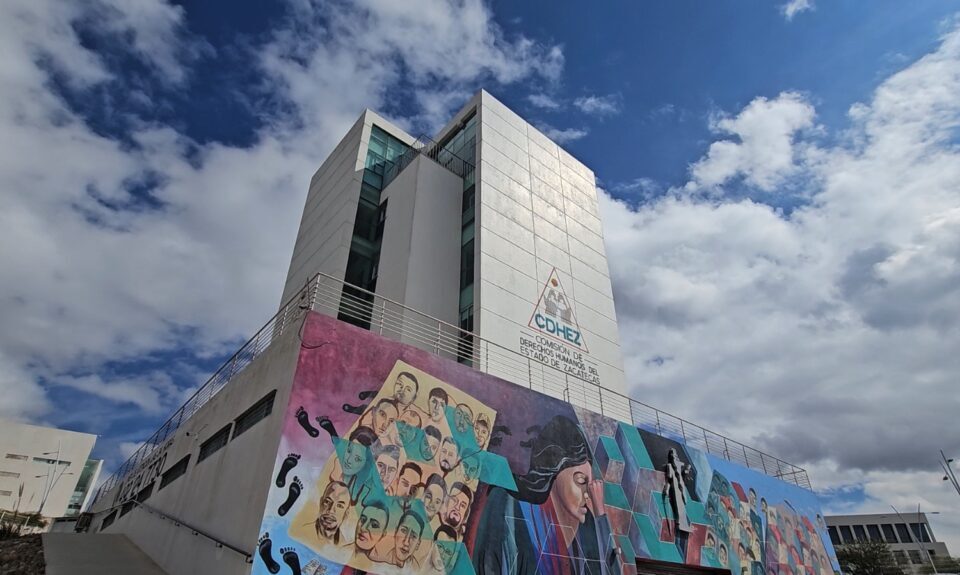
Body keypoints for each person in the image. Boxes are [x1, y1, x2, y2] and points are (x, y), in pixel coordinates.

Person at [473, 415, 620, 574]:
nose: (588, 494)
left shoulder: (588, 526)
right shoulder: (508, 505)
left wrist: (600, 514)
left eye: (589, 484)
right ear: (555, 473)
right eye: (580, 481)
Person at [663, 448, 692, 557]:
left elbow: (683, 474)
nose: (674, 456)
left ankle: (684, 524)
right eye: (672, 454)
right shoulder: (670, 466)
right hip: (675, 487)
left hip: (681, 487)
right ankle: (680, 524)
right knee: (679, 506)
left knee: (683, 506)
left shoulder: (679, 465)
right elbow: (669, 479)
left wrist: (687, 470)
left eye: (675, 454)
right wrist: (666, 489)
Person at [314, 480, 350, 545]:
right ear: (321, 503)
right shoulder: (303, 532)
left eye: (339, 506)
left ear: (346, 514)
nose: (331, 510)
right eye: (327, 502)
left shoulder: (344, 545)